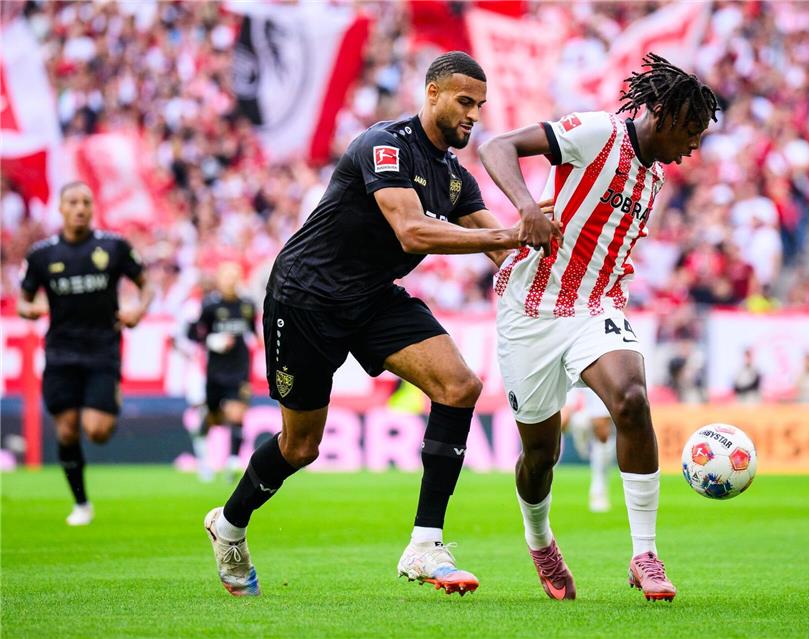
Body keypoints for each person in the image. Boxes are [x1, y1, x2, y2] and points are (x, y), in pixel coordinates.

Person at [203, 51, 560, 597]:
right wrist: (512, 235)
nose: (473, 115)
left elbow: (508, 251)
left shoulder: (454, 177)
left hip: (371, 300)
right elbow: (414, 232)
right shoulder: (384, 144)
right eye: (464, 102)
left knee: (460, 386)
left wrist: (560, 272)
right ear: (433, 92)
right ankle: (228, 524)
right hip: (304, 299)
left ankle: (424, 545)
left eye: (480, 106)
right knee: (300, 448)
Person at [479, 52, 719, 601]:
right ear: (660, 114)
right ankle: (540, 541)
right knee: (541, 454)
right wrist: (526, 209)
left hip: (597, 307)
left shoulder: (654, 179)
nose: (693, 147)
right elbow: (497, 147)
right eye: (690, 131)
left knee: (632, 399)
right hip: (531, 311)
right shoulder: (597, 132)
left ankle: (645, 555)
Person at [17, 181, 154, 526]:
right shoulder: (41, 255)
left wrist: (138, 309)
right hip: (61, 351)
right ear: (60, 209)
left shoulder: (114, 246)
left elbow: (146, 284)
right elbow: (23, 298)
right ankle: (81, 503)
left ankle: (112, 395)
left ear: (92, 208)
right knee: (66, 432)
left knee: (97, 431)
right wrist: (28, 309)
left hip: (102, 348)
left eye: (86, 202)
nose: (80, 208)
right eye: (73, 202)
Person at [188, 263, 258, 482]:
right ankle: (203, 459)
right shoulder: (209, 306)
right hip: (216, 372)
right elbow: (194, 333)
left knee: (237, 414)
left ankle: (233, 462)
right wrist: (211, 340)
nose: (230, 280)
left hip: (239, 370)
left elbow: (253, 333)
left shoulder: (247, 305)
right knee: (213, 417)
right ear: (218, 279)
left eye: (234, 275)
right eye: (226, 276)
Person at [563, 388, 615, 512]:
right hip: (572, 378)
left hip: (596, 383)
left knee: (602, 431)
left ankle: (599, 489)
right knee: (567, 422)